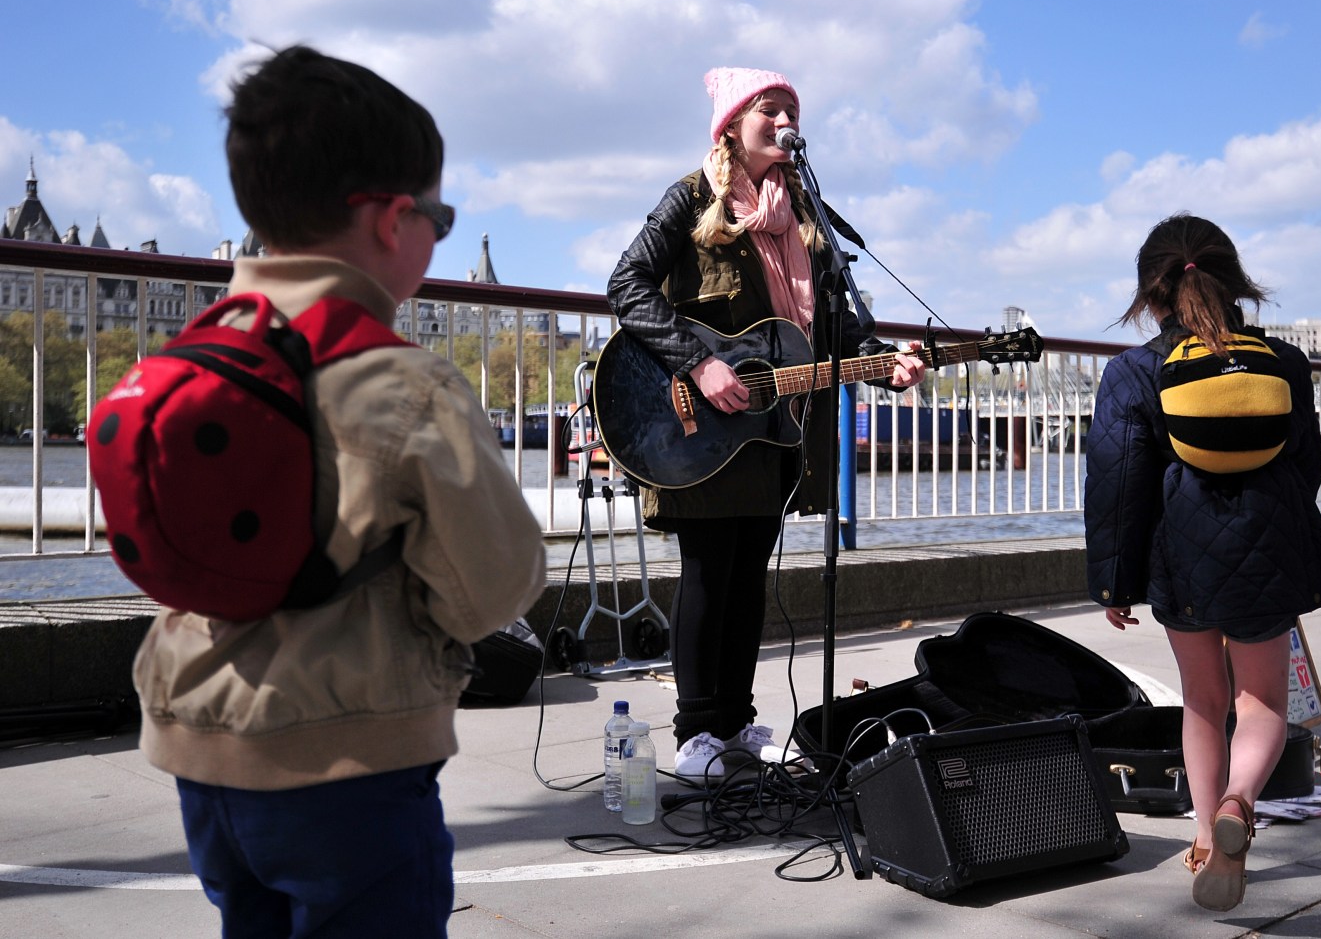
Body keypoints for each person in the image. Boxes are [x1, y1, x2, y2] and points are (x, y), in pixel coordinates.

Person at [130, 46, 548, 937]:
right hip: (349, 762)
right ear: (395, 221)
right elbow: (493, 590)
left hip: (199, 751)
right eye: (441, 216)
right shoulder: (408, 386)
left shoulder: (190, 357)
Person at [606, 67, 926, 779]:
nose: (784, 120)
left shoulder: (805, 215)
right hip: (695, 419)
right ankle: (695, 735)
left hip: (769, 425)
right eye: (769, 109)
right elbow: (625, 284)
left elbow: (836, 322)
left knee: (749, 573)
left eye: (791, 110)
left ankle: (735, 721)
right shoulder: (692, 196)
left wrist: (884, 360)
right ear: (732, 125)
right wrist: (698, 364)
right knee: (710, 571)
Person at [1084, 214, 1321, 913]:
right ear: (1235, 282)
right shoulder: (1284, 361)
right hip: (1269, 549)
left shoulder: (1135, 371)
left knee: (1202, 698)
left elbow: (1118, 483)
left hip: (1180, 557)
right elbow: (1307, 461)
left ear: (1150, 293)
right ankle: (1240, 804)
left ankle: (1204, 836)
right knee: (1262, 703)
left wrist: (1115, 578)